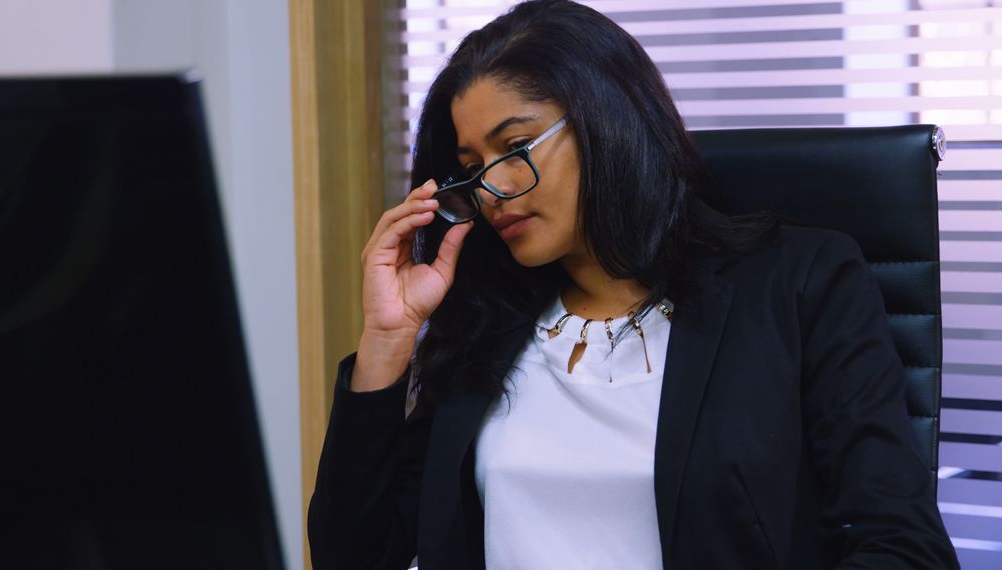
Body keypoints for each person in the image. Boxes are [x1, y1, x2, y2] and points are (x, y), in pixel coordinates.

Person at [307, 1, 959, 568]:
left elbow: (904, 548)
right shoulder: (490, 325)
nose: (494, 190)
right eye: (472, 169)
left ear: (607, 120)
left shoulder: (798, 283)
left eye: (516, 148)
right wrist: (388, 340)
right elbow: (356, 556)